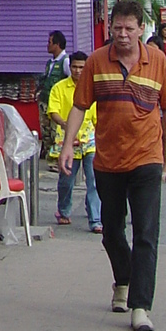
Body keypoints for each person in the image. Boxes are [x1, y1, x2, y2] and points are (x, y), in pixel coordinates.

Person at [58, 0, 166, 331]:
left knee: (146, 233)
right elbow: (80, 106)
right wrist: (68, 145)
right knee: (111, 231)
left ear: (142, 29)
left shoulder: (157, 62)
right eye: (117, 28)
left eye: (129, 28)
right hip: (108, 160)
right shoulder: (97, 61)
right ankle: (123, 281)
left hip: (147, 159)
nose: (123, 35)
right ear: (109, 28)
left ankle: (140, 306)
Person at [48, 51, 101, 231]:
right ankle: (63, 211)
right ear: (69, 68)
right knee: (67, 180)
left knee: (93, 179)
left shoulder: (94, 88)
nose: (78, 71)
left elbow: (97, 115)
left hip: (90, 138)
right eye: (75, 67)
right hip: (68, 139)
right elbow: (53, 111)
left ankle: (95, 218)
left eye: (81, 67)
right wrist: (65, 124)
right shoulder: (59, 87)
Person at [38, 30, 71, 107]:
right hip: (46, 103)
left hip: (58, 104)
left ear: (57, 44)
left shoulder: (66, 61)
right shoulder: (50, 62)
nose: (47, 45)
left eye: (50, 42)